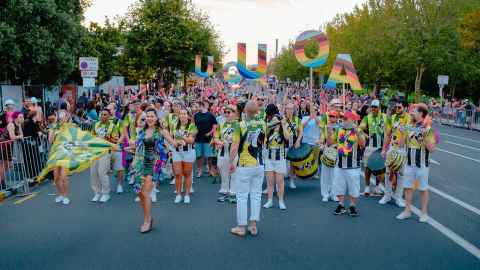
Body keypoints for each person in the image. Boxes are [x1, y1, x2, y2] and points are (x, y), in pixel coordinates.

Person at [229, 101, 265, 237]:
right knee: (256, 195)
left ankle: (241, 227)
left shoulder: (240, 125)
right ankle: (253, 225)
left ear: (244, 111)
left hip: (244, 165)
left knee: (242, 196)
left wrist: (231, 162)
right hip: (259, 164)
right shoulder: (263, 123)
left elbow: (234, 147)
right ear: (257, 112)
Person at [132, 108, 171, 233]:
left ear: (156, 118)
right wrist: (119, 147)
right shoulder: (142, 131)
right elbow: (135, 147)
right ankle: (147, 217)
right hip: (140, 163)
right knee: (139, 192)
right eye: (147, 116)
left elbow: (173, 143)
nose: (149, 118)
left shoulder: (161, 131)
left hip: (153, 163)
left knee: (146, 193)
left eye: (152, 116)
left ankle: (147, 221)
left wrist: (180, 142)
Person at [396, 104, 437, 223]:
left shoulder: (428, 129)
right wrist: (402, 132)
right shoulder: (409, 126)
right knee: (408, 188)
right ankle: (407, 211)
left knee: (423, 189)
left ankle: (424, 213)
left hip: (422, 165)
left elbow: (432, 149)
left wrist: (424, 137)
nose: (412, 112)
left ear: (421, 114)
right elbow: (400, 145)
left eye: (414, 111)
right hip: (409, 163)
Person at [332, 111, 365, 216]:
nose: (343, 120)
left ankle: (352, 205)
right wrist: (329, 132)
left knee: (353, 187)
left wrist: (357, 131)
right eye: (343, 118)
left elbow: (362, 144)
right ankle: (341, 205)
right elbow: (330, 142)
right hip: (340, 164)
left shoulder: (358, 130)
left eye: (346, 118)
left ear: (352, 120)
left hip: (353, 165)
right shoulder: (339, 129)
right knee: (339, 186)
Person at [381, 100, 409, 207]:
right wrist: (384, 149)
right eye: (396, 107)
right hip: (392, 149)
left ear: (405, 108)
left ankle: (398, 198)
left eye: (399, 108)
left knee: (401, 175)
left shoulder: (409, 119)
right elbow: (387, 135)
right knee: (388, 173)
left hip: (402, 150)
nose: (397, 109)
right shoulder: (391, 118)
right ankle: (387, 196)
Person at [358, 99, 387, 196]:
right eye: (372, 107)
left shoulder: (385, 117)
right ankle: (367, 187)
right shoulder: (367, 117)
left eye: (375, 107)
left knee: (380, 168)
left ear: (379, 108)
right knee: (367, 167)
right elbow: (359, 128)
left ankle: (377, 187)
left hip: (381, 147)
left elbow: (390, 129)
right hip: (370, 146)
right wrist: (365, 135)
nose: (373, 109)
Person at [169, 107, 197, 204]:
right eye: (181, 114)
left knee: (187, 174)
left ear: (188, 116)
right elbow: (170, 138)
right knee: (177, 174)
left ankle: (187, 194)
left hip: (188, 152)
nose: (182, 115)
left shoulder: (192, 126)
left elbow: (191, 140)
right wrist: (172, 146)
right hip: (176, 152)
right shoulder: (174, 125)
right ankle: (178, 194)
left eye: (185, 114)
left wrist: (182, 137)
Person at [263, 104, 288, 210]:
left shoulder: (282, 126)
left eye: (276, 118)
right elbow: (263, 139)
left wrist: (282, 125)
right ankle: (269, 201)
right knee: (269, 181)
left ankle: (281, 201)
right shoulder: (267, 126)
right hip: (269, 157)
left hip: (280, 157)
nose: (274, 120)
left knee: (280, 181)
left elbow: (287, 138)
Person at [90, 108, 118, 203]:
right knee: (93, 173)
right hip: (95, 151)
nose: (103, 116)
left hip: (106, 151)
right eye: (102, 114)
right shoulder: (96, 124)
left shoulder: (112, 126)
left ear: (109, 116)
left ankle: (106, 193)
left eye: (105, 114)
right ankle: (97, 192)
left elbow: (115, 139)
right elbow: (91, 136)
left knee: (102, 172)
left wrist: (107, 138)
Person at [213, 104, 239, 203]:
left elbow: (238, 140)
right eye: (225, 112)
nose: (226, 114)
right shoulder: (222, 124)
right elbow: (215, 136)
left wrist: (229, 141)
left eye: (229, 112)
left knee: (233, 173)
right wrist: (218, 142)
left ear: (234, 113)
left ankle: (233, 193)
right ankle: (224, 192)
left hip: (233, 152)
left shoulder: (238, 125)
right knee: (223, 172)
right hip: (222, 152)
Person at [48, 110, 71, 205]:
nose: (61, 119)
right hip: (55, 154)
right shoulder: (53, 128)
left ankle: (65, 196)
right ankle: (60, 194)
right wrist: (54, 129)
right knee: (56, 177)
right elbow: (50, 141)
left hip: (65, 154)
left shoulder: (69, 127)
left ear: (66, 118)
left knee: (64, 177)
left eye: (63, 117)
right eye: (59, 117)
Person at [194, 101, 217, 178]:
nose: (196, 108)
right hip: (198, 138)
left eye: (197, 106)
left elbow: (215, 126)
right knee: (199, 156)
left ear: (202, 106)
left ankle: (210, 170)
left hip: (208, 139)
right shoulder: (196, 115)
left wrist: (210, 133)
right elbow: (193, 126)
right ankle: (200, 171)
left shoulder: (210, 115)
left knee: (209, 156)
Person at [320, 110, 339, 202]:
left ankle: (334, 194)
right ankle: (325, 194)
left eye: (333, 116)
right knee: (325, 175)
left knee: (335, 174)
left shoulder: (340, 128)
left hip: (336, 152)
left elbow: (342, 140)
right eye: (330, 116)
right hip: (327, 151)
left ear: (337, 118)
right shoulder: (325, 127)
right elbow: (322, 138)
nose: (331, 118)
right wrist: (321, 143)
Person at [283, 101, 303, 189]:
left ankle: (291, 181)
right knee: (281, 163)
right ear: (285, 109)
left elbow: (301, 132)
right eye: (288, 108)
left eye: (291, 108)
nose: (289, 110)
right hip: (283, 143)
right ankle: (279, 182)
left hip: (293, 143)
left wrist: (298, 140)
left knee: (292, 163)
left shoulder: (297, 119)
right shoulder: (282, 119)